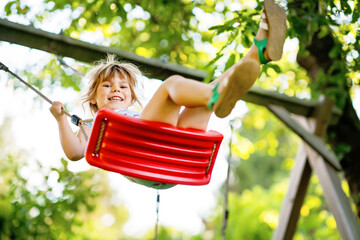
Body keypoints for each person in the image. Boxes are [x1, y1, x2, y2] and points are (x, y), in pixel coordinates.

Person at [50, 0, 286, 161]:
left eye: (124, 87)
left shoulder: (138, 114)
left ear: (132, 97)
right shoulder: (90, 126)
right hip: (149, 159)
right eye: (108, 85)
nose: (117, 90)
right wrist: (62, 119)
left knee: (208, 93)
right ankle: (217, 95)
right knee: (172, 85)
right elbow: (74, 153)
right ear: (93, 97)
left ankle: (258, 52)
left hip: (178, 152)